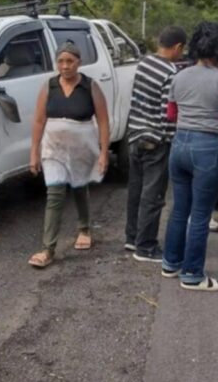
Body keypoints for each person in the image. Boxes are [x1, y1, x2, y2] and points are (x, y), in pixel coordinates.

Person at [161, 21, 218, 292]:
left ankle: (171, 264)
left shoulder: (179, 76)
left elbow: (172, 115)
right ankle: (193, 275)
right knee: (200, 215)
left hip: (180, 145)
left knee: (179, 210)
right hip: (209, 148)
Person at [27, 42, 110, 268]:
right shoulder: (49, 86)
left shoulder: (90, 86)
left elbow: (103, 121)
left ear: (78, 62)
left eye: (69, 61)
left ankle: (84, 228)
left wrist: (104, 153)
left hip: (82, 147)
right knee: (55, 193)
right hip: (54, 148)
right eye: (61, 61)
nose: (65, 66)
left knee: (79, 187)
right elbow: (38, 120)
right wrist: (34, 152)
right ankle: (48, 249)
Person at [124, 26, 187, 262]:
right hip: (155, 140)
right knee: (153, 194)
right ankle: (146, 246)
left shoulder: (144, 63)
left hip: (135, 135)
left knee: (135, 190)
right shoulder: (171, 72)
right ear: (178, 47)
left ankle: (131, 238)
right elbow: (167, 114)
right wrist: (172, 139)